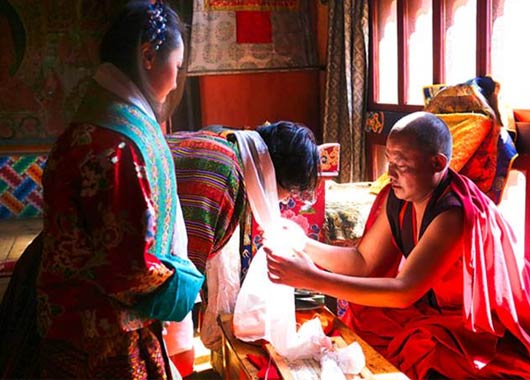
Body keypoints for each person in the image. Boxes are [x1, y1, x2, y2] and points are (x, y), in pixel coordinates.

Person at [0, 1, 204, 379]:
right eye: (176, 67)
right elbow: (128, 268)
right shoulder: (119, 148)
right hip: (103, 336)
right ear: (147, 56)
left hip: (66, 317)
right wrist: (182, 286)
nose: (176, 81)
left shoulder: (90, 127)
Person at [265, 111, 530, 379]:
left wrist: (311, 278)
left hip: (478, 327)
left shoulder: (454, 213)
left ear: (438, 163)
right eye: (389, 161)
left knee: (426, 353)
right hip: (433, 311)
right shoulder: (400, 197)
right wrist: (304, 244)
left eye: (401, 165)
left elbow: (404, 292)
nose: (390, 173)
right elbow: (363, 261)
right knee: (368, 315)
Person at [163, 121, 320, 368]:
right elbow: (183, 271)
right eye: (289, 192)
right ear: (273, 174)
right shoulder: (224, 171)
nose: (286, 200)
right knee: (176, 353)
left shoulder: (226, 141)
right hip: (142, 263)